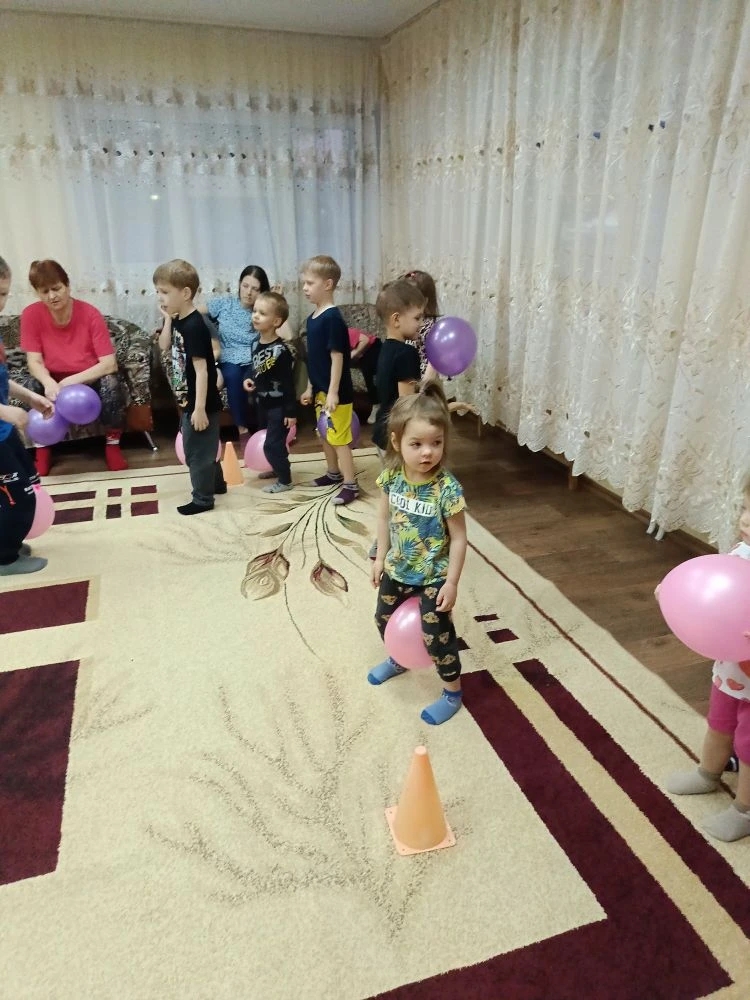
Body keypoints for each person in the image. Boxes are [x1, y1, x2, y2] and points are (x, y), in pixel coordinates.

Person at [368, 382, 468, 725]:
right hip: (398, 568)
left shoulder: (447, 489)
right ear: (397, 442)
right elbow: (384, 518)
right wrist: (380, 557)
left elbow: (459, 539)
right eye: (417, 444)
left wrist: (451, 583)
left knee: (436, 637)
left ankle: (452, 692)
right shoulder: (391, 477)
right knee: (383, 619)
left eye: (436, 443)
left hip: (433, 576)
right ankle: (399, 658)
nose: (428, 453)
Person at [664, 483, 750, 842]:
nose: (745, 520)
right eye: (745, 508)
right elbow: (713, 592)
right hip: (730, 673)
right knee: (719, 724)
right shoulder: (741, 554)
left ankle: (745, 810)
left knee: (748, 747)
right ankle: (708, 773)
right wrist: (675, 592)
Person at [19, 259, 128, 476]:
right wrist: (48, 382)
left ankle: (112, 445)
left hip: (88, 379)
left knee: (112, 384)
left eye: (56, 288)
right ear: (37, 293)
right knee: (30, 387)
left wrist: (70, 381)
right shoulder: (31, 315)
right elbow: (34, 362)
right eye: (45, 291)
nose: (52, 296)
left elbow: (109, 364)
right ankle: (42, 449)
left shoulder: (90, 314)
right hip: (52, 379)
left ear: (67, 285)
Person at [155, 259, 226, 515]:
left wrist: (199, 409)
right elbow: (163, 346)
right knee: (205, 446)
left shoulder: (195, 326)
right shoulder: (179, 320)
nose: (160, 297)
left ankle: (203, 500)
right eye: (158, 292)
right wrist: (167, 320)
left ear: (185, 293)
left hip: (200, 402)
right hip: (188, 399)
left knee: (196, 452)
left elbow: (202, 370)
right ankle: (217, 484)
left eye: (165, 292)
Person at [0, 256, 53, 576]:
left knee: (29, 484)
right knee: (15, 495)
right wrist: (5, 410)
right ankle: (5, 558)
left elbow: (1, 379)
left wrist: (30, 397)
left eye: (3, 294)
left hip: (4, 432)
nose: (0, 302)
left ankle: (9, 541)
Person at [299, 255, 358, 506]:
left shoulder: (332, 318)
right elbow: (315, 360)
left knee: (339, 438)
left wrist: (333, 392)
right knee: (324, 434)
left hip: (337, 393)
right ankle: (333, 473)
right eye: (304, 283)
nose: (304, 288)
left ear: (328, 284)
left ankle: (351, 485)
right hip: (320, 391)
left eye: (310, 283)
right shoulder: (312, 318)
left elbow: (337, 357)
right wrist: (310, 387)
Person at [201, 265, 269, 433]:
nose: (248, 292)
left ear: (261, 291)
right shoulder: (225, 303)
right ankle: (241, 428)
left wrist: (273, 300)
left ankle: (265, 428)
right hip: (228, 355)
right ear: (239, 284)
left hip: (254, 357)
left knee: (261, 377)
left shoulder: (262, 310)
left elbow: (287, 335)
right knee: (232, 376)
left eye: (255, 289)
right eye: (245, 286)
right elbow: (193, 313)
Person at [242, 292, 297, 494]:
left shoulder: (281, 351)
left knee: (273, 445)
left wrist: (291, 412)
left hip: (279, 407)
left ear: (276, 321)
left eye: (262, 313)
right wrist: (248, 378)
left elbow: (289, 384)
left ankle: (285, 480)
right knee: (268, 441)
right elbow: (254, 367)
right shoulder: (255, 343)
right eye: (255, 311)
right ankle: (276, 468)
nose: (256, 315)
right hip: (262, 404)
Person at [371, 280, 425, 455]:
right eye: (417, 318)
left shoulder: (384, 348)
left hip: (381, 430)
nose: (421, 323)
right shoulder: (407, 353)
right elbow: (406, 404)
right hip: (396, 434)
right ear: (396, 319)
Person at [401, 269, 440, 382]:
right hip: (408, 375)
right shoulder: (406, 321)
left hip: (423, 379)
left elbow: (434, 361)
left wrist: (424, 385)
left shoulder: (430, 327)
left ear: (425, 301)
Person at [348, 326, 381, 423]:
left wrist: (354, 354)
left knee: (370, 376)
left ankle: (377, 405)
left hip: (372, 347)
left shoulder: (346, 332)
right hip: (362, 356)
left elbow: (365, 340)